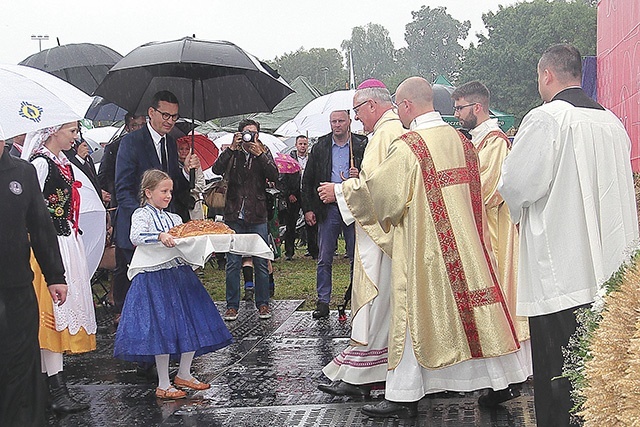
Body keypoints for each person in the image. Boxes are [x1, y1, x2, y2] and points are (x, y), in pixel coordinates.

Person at [319, 77, 529, 419]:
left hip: (426, 251)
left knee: (413, 317)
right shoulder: (462, 142)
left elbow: (383, 199)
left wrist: (347, 191)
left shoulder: (410, 146)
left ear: (406, 106)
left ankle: (403, 393)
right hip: (467, 247)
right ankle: (502, 380)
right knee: (475, 314)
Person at [498, 43, 638, 427]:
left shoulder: (547, 119)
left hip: (562, 269)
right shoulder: (612, 122)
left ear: (547, 75)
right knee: (602, 374)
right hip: (610, 269)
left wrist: (512, 209)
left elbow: (516, 184)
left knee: (559, 377)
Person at [318, 79, 405, 396]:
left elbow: (376, 191)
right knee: (381, 306)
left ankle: (366, 373)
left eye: (357, 111)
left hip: (382, 238)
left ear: (372, 104)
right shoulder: (391, 131)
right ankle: (366, 369)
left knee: (378, 303)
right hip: (385, 234)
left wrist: (338, 191)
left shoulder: (385, 135)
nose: (356, 119)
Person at [114, 169, 233, 399]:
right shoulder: (141, 214)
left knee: (190, 321)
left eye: (170, 191)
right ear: (148, 192)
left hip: (179, 274)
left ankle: (184, 373)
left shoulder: (175, 218)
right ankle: (163, 382)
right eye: (163, 191)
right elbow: (136, 236)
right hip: (154, 277)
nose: (168, 195)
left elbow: (185, 243)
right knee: (163, 328)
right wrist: (159, 236)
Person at [451, 80, 532, 406]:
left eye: (460, 108)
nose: (457, 115)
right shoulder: (477, 141)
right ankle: (496, 377)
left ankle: (511, 378)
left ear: (478, 107)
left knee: (501, 306)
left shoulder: (495, 143)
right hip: (483, 233)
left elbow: (486, 189)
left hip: (495, 237)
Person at [21, 123, 97, 414]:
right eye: (70, 130)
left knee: (58, 314)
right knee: (50, 316)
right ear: (52, 131)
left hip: (64, 240)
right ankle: (52, 389)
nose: (74, 136)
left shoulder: (61, 163)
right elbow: (31, 209)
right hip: (49, 245)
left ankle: (53, 387)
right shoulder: (40, 164)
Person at [113, 92, 199, 323]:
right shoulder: (131, 142)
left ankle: (157, 338)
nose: (170, 121)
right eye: (165, 115)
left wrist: (185, 170)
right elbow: (123, 188)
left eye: (175, 116)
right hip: (136, 227)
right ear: (151, 113)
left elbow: (173, 187)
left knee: (157, 294)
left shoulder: (170, 143)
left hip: (164, 234)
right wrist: (146, 216)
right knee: (135, 289)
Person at [0, 138, 67, 426]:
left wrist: (55, 276)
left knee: (20, 362)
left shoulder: (23, 172)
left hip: (16, 286)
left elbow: (41, 225)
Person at [302, 110, 367, 319]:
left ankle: (356, 298)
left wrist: (361, 173)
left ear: (349, 122)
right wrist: (309, 208)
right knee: (325, 256)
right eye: (333, 122)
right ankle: (323, 301)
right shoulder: (320, 146)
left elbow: (374, 175)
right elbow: (308, 179)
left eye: (340, 121)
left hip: (353, 206)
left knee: (356, 256)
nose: (337, 125)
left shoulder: (361, 144)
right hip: (327, 207)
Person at [211, 119, 278, 321]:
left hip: (257, 213)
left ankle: (263, 304)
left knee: (260, 259)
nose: (250, 136)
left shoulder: (263, 151)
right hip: (234, 213)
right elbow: (216, 170)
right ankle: (232, 305)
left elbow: (275, 175)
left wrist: (260, 154)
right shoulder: (233, 152)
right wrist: (231, 149)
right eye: (246, 133)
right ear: (239, 134)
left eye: (254, 133)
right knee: (233, 261)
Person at [98, 113, 146, 210]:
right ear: (127, 128)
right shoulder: (114, 148)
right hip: (124, 202)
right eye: (134, 125)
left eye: (143, 125)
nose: (139, 129)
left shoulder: (154, 145)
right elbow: (104, 175)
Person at [174, 135, 206, 222]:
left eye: (187, 149)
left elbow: (201, 184)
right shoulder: (173, 164)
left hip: (193, 205)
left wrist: (190, 189)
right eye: (181, 149)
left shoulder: (195, 165)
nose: (184, 151)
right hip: (178, 205)